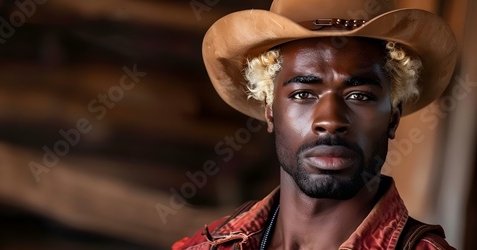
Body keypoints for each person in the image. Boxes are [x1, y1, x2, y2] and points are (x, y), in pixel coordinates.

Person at [173, 0, 458, 249]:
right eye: (303, 94)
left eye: (359, 95)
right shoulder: (201, 247)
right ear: (271, 111)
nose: (330, 121)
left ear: (393, 118)